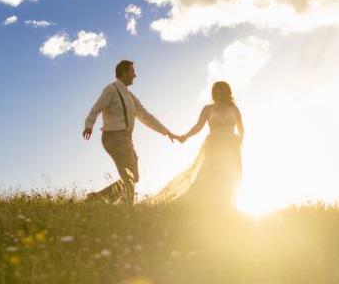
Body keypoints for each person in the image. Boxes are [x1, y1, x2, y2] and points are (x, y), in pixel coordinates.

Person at [83, 59, 181, 203]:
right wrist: (89, 125)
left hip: (126, 138)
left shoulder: (130, 97)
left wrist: (166, 132)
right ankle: (125, 208)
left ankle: (98, 199)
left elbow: (146, 116)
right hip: (114, 137)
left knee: (133, 176)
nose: (135, 75)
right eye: (132, 71)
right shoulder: (111, 89)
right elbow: (97, 107)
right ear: (124, 72)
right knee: (129, 175)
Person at [148, 81, 244, 209]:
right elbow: (198, 126)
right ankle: (201, 206)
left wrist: (239, 140)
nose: (219, 91)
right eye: (217, 89)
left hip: (231, 147)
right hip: (214, 145)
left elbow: (241, 128)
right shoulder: (208, 109)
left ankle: (226, 206)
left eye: (222, 89)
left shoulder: (234, 108)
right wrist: (185, 136)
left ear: (227, 91)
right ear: (214, 93)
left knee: (230, 175)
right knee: (210, 175)